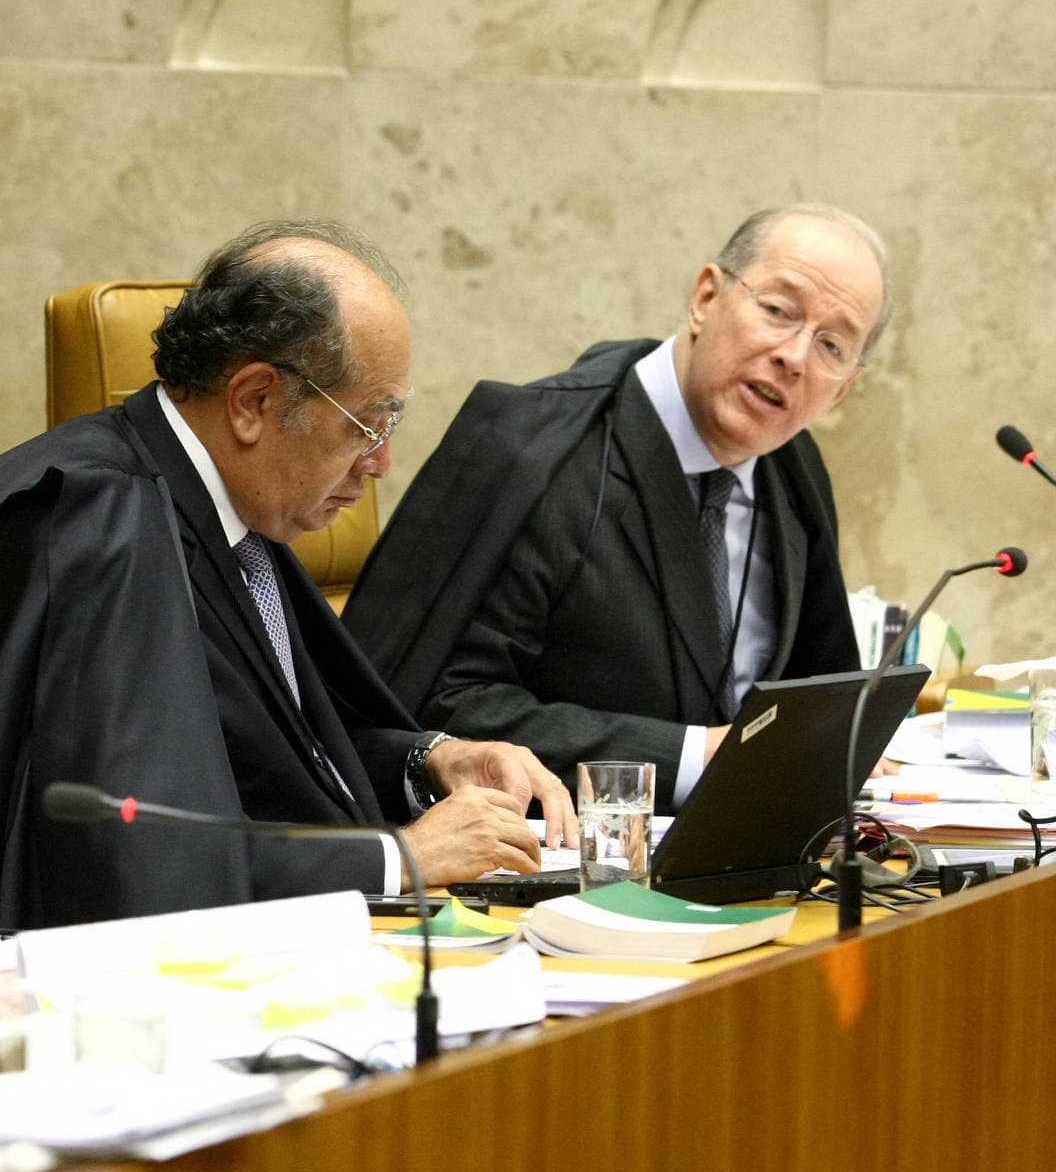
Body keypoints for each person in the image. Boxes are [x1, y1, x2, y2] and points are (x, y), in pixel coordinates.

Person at [0, 221, 576, 939]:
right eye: (368, 426)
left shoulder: (225, 508)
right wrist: (399, 857)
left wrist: (429, 761)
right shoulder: (103, 524)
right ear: (254, 401)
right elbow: (139, 858)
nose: (380, 464)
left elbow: (271, 763)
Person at [342, 205, 884, 811]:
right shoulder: (531, 447)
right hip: (544, 850)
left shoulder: (794, 471)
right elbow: (429, 708)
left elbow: (813, 690)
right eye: (779, 311)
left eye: (831, 345)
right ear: (706, 298)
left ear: (844, 388)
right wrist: (689, 758)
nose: (795, 356)